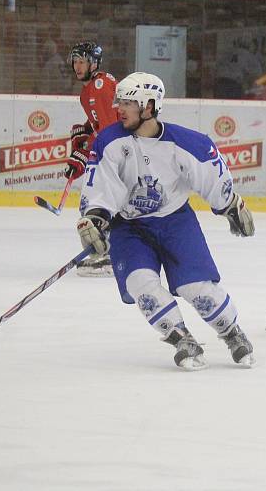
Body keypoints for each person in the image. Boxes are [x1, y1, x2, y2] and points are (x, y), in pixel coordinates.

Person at [76, 72, 256, 370]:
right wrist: (95, 216)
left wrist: (230, 205)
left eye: (128, 103)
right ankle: (181, 337)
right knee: (140, 283)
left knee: (196, 287)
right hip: (128, 227)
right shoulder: (109, 141)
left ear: (149, 107)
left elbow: (210, 175)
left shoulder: (185, 143)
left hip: (175, 222)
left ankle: (231, 332)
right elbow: (99, 185)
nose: (119, 108)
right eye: (118, 101)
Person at [65, 41, 121, 277]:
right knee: (93, 203)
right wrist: (87, 129)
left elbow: (113, 132)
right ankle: (107, 251)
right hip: (112, 153)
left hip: (119, 156)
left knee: (93, 203)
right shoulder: (88, 90)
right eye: (75, 62)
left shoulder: (99, 86)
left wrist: (84, 151)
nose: (77, 67)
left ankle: (108, 255)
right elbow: (102, 122)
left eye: (82, 62)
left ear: (94, 63)